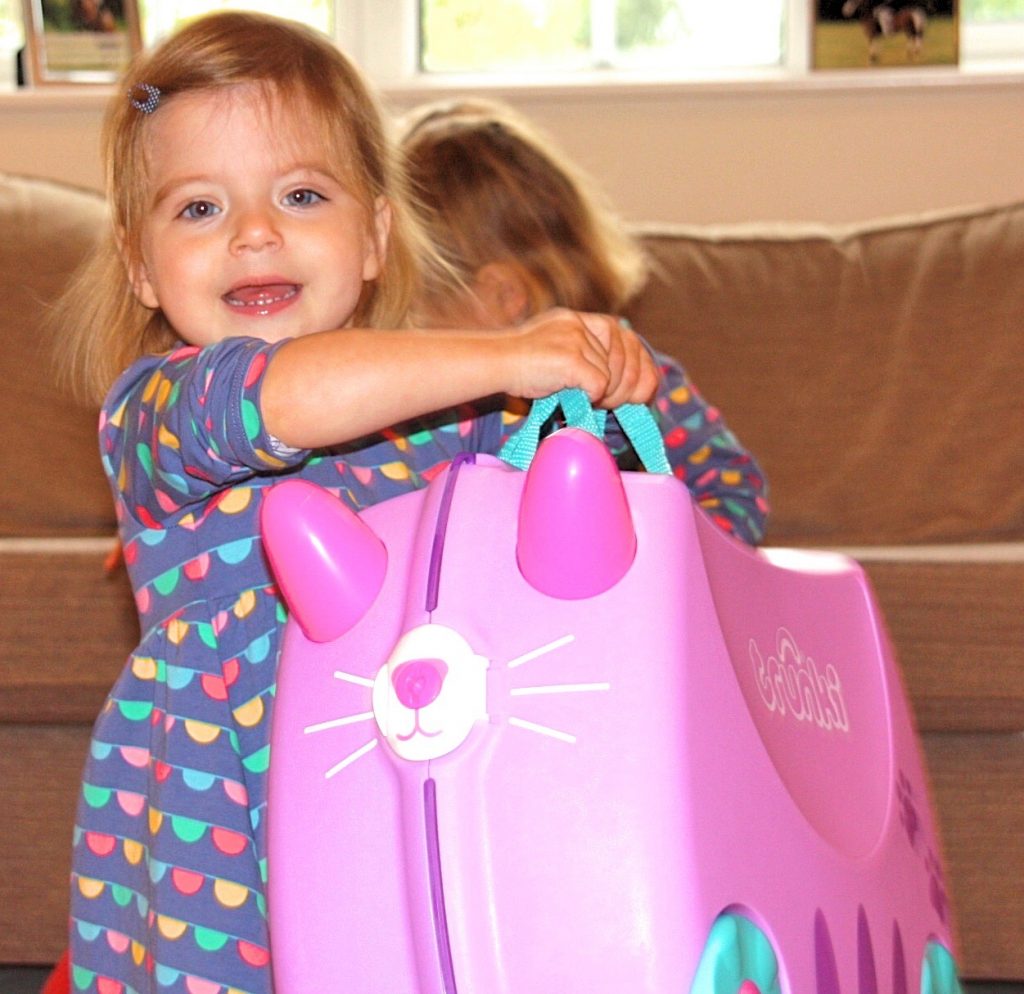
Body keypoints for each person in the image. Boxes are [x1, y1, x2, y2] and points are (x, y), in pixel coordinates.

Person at [52, 11, 697, 994]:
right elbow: (276, 397)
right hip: (224, 833)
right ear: (140, 265)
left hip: (415, 793)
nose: (255, 232)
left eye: (301, 194)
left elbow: (575, 548)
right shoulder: (157, 414)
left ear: (373, 236)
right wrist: (507, 352)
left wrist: (612, 400)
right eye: (197, 209)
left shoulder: (459, 424)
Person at [396, 97, 768, 543]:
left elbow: (734, 489)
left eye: (413, 303)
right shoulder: (413, 399)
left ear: (504, 296)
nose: (401, 327)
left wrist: (665, 560)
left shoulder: (631, 372)